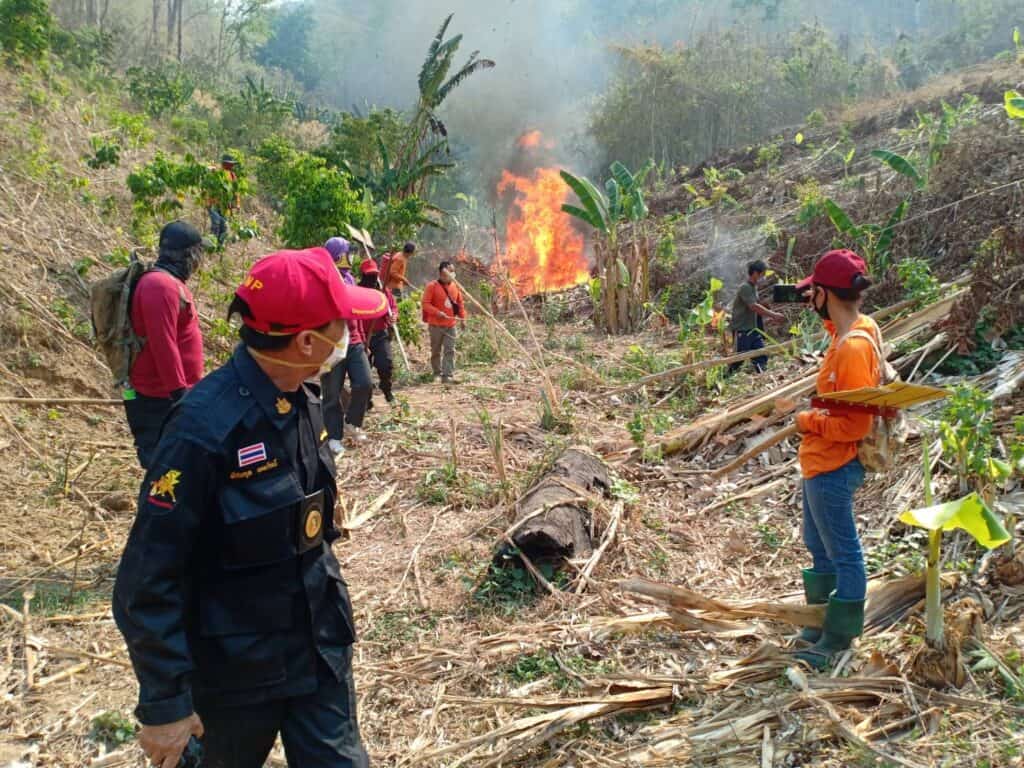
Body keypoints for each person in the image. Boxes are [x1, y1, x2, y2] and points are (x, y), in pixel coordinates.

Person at [113, 247, 387, 768]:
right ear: (308, 341)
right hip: (235, 677)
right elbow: (145, 580)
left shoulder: (302, 399)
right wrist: (165, 703)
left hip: (316, 649)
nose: (346, 335)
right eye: (340, 324)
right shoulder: (202, 430)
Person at [790, 249, 881, 670]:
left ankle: (838, 636)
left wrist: (807, 420)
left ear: (825, 294)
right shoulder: (855, 330)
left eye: (814, 293)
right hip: (819, 464)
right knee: (817, 546)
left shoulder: (851, 350)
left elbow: (855, 426)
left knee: (843, 553)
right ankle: (820, 620)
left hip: (832, 465)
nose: (810, 300)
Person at [124, 220, 206, 469]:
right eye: (199, 255)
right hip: (159, 399)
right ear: (190, 255)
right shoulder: (160, 286)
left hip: (167, 397)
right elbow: (163, 343)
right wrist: (180, 396)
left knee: (175, 466)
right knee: (165, 468)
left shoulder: (166, 284)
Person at [321, 236, 374, 453]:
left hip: (354, 341)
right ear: (338, 255)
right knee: (332, 393)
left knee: (364, 383)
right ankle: (334, 436)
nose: (350, 257)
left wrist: (362, 337)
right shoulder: (324, 280)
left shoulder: (350, 279)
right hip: (331, 344)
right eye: (347, 252)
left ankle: (353, 422)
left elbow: (357, 312)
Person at [727, 259, 785, 375]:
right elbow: (753, 306)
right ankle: (725, 379)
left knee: (761, 355)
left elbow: (758, 305)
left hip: (753, 330)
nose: (763, 278)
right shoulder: (745, 288)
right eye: (762, 275)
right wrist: (773, 315)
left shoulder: (753, 288)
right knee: (738, 360)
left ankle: (762, 376)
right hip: (742, 330)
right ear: (755, 273)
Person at [358, 258, 397, 404]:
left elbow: (392, 307)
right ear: (363, 275)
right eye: (369, 275)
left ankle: (387, 390)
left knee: (385, 364)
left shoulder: (383, 291)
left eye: (374, 275)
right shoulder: (357, 291)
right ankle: (367, 400)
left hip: (380, 334)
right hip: (362, 337)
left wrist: (393, 316)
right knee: (363, 372)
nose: (372, 278)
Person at [422, 260, 466, 384]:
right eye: (450, 271)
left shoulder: (455, 286)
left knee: (450, 350)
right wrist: (437, 312)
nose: (453, 273)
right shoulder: (431, 286)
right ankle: (437, 373)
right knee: (436, 350)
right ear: (442, 273)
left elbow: (460, 304)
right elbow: (425, 304)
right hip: (436, 325)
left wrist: (463, 319)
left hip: (451, 325)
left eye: (453, 271)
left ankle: (448, 375)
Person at [207, 153, 237, 247]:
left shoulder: (232, 175)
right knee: (216, 223)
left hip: (225, 206)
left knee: (224, 227)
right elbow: (208, 169)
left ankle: (219, 247)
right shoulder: (217, 172)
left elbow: (235, 191)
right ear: (224, 164)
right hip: (213, 203)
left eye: (232, 164)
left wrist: (235, 205)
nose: (231, 166)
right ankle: (211, 246)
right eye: (229, 164)